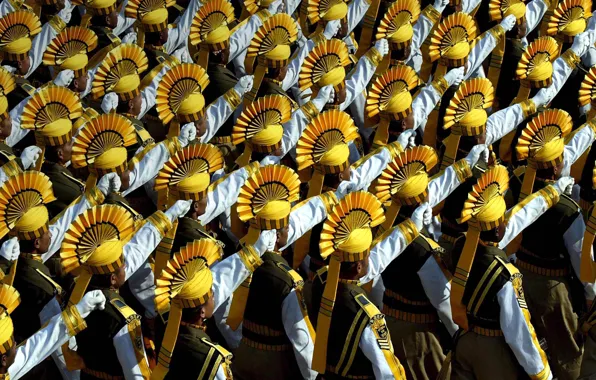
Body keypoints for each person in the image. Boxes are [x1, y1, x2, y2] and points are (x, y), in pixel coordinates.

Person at [514, 108, 596, 380]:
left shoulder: (517, 187)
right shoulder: (566, 210)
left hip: (520, 278)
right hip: (553, 291)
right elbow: (581, 257)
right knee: (568, 353)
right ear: (558, 163)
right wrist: (590, 294)